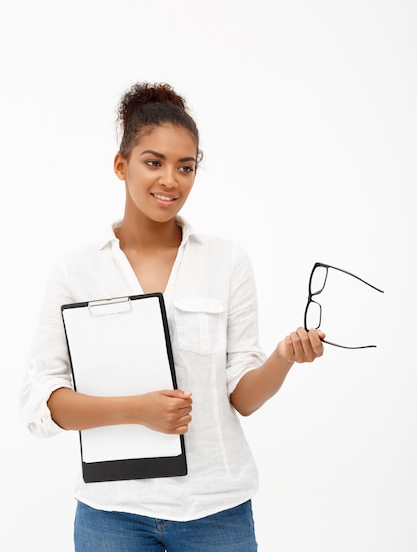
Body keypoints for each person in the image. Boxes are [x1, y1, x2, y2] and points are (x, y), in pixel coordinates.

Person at [20, 82, 325, 551]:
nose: (170, 180)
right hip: (111, 513)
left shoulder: (227, 262)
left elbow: (242, 398)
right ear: (121, 165)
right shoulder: (76, 269)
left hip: (216, 509)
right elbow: (42, 402)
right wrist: (136, 410)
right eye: (153, 162)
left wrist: (284, 356)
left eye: (186, 167)